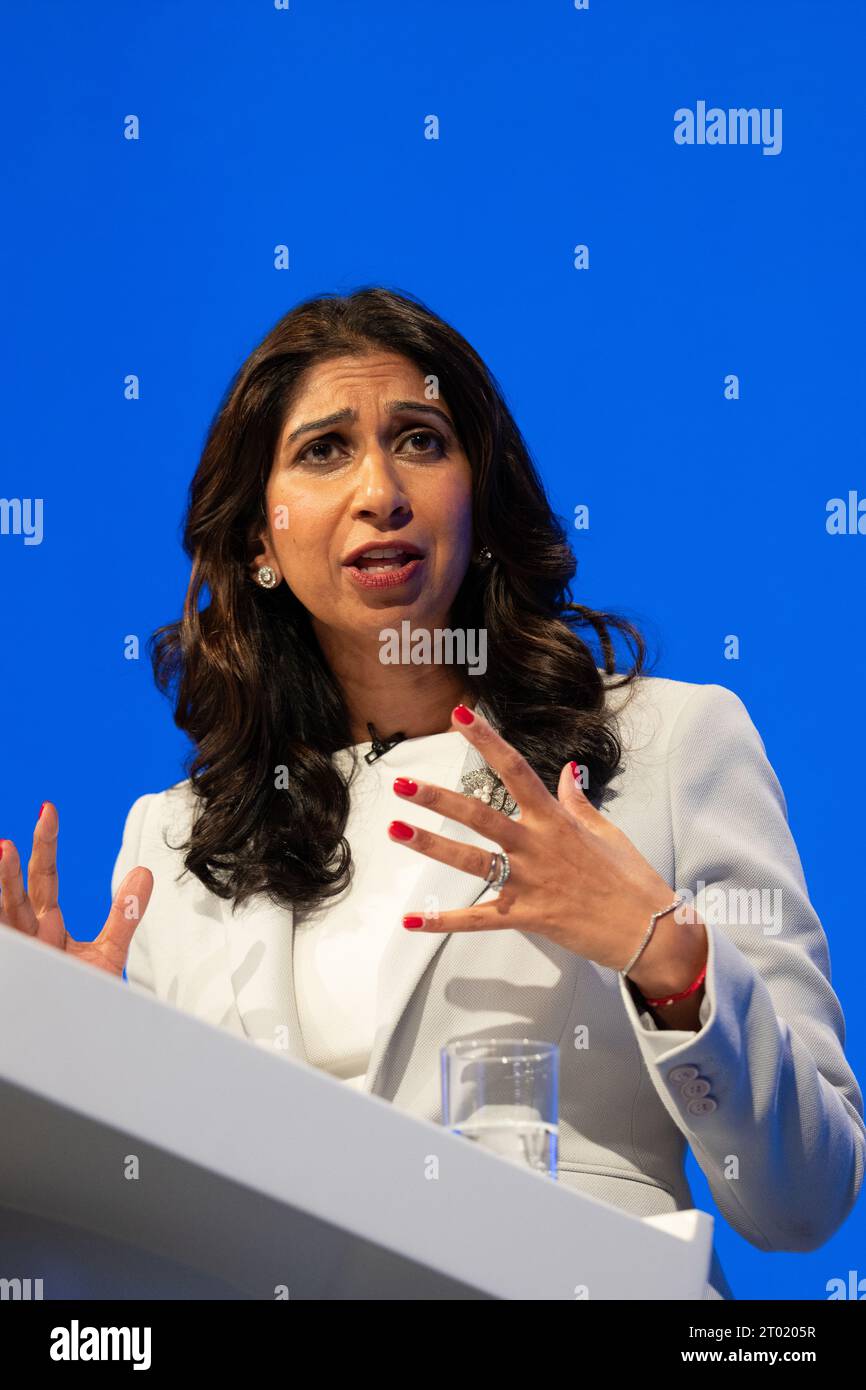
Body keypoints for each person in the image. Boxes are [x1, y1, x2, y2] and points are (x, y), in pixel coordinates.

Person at [2, 287, 863, 1303]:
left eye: (419, 439)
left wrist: (664, 956)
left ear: (479, 499)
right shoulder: (179, 838)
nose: (380, 489)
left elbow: (804, 1196)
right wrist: (74, 1064)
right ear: (259, 544)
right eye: (323, 449)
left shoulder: (665, 745)